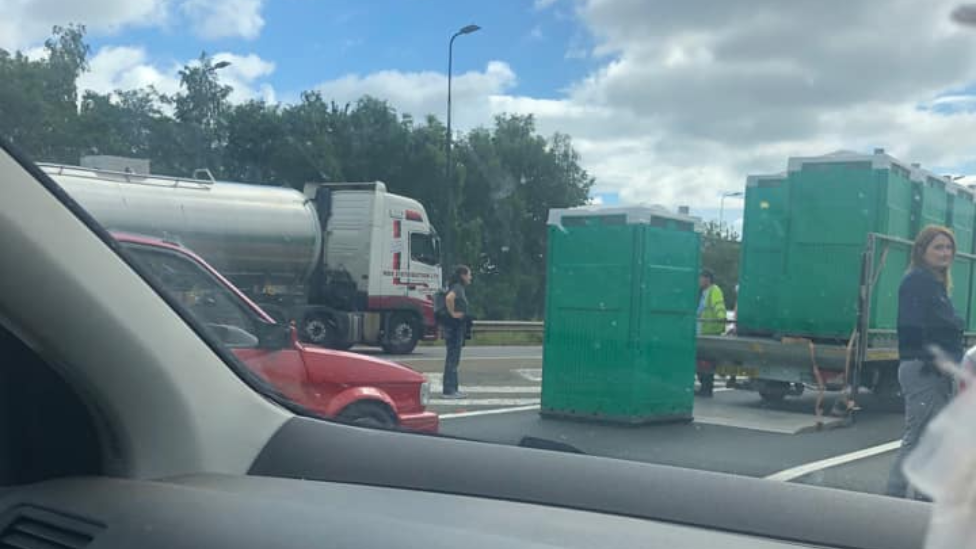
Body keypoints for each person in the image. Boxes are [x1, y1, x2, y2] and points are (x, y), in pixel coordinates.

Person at [886, 225, 963, 500]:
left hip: (932, 370)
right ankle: (893, 497)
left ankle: (922, 496)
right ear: (922, 251)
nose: (946, 253)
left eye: (949, 247)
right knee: (918, 436)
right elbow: (910, 328)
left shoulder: (934, 283)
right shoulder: (918, 281)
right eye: (938, 247)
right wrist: (936, 360)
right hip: (923, 369)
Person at [441, 265, 473, 399]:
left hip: (452, 328)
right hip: (455, 328)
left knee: (453, 358)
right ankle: (449, 390)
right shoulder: (457, 288)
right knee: (453, 359)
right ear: (463, 275)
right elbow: (449, 298)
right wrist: (453, 313)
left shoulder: (455, 286)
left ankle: (453, 389)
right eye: (469, 274)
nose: (470, 277)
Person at [696, 269, 727, 397]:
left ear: (707, 279)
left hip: (710, 331)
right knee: (702, 362)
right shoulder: (703, 292)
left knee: (706, 362)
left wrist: (721, 318)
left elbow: (718, 305)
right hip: (702, 331)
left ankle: (706, 389)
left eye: (701, 278)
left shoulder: (714, 290)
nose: (699, 281)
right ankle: (705, 387)